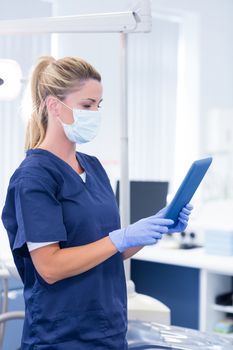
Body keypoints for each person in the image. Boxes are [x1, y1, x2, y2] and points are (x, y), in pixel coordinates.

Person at [1, 56, 193, 350]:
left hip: (109, 331)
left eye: (98, 106)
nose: (95, 114)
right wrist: (119, 238)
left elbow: (107, 251)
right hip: (62, 337)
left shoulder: (92, 167)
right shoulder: (34, 177)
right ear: (54, 106)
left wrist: (155, 227)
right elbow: (50, 267)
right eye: (87, 105)